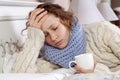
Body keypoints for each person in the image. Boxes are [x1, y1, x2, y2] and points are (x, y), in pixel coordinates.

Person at [23, 2, 96, 73]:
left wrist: (95, 71)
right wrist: (33, 38)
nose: (53, 38)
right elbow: (18, 76)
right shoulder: (43, 60)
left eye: (55, 28)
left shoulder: (99, 32)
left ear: (66, 20)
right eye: (45, 35)